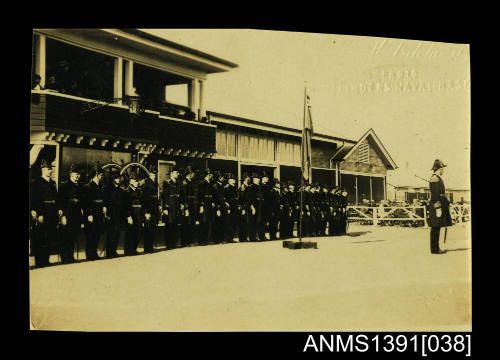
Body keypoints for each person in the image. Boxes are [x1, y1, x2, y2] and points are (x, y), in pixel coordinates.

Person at [30, 159, 58, 267]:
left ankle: (46, 260)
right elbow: (34, 200)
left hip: (51, 215)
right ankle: (39, 261)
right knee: (40, 238)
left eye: (50, 169)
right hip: (42, 215)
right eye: (47, 169)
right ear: (42, 170)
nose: (49, 171)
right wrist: (38, 213)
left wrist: (58, 210)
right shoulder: (36, 183)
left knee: (49, 238)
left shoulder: (52, 183)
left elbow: (56, 199)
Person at [56, 164, 83, 263]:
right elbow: (59, 201)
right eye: (76, 174)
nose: (78, 176)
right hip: (67, 214)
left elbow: (81, 201)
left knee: (73, 236)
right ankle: (65, 257)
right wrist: (62, 215)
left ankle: (70, 256)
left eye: (79, 174)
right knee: (66, 236)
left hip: (76, 215)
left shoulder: (80, 186)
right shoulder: (64, 185)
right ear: (71, 174)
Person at [428, 159, 452, 254]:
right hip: (436, 205)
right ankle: (434, 249)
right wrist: (437, 207)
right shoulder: (434, 178)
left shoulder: (437, 178)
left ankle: (436, 248)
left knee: (437, 226)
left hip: (440, 203)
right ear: (439, 168)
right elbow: (434, 194)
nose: (443, 170)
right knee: (435, 227)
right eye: (442, 168)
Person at [82, 164, 106, 261]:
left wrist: (104, 206)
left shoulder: (100, 187)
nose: (102, 176)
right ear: (96, 175)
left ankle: (94, 252)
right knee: (90, 235)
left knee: (97, 234)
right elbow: (86, 203)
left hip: (99, 214)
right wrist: (89, 214)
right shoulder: (88, 187)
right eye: (100, 175)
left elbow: (102, 199)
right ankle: (89, 254)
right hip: (92, 214)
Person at [103, 169, 125, 258]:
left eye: (119, 178)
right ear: (113, 179)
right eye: (117, 178)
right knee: (111, 234)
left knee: (117, 233)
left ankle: (113, 251)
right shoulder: (107, 189)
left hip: (118, 215)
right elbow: (105, 202)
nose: (119, 180)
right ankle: (110, 252)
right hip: (111, 214)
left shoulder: (120, 190)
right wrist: (106, 214)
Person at [162, 166, 182, 250]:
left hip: (176, 208)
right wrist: (165, 208)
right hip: (169, 208)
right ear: (171, 174)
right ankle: (169, 244)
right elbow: (165, 196)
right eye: (176, 172)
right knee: (169, 226)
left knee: (175, 226)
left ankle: (173, 243)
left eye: (178, 172)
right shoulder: (167, 183)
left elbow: (178, 196)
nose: (178, 174)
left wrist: (181, 204)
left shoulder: (178, 183)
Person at [143, 166, 159, 253]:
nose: (154, 175)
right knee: (148, 229)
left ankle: (150, 246)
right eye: (153, 174)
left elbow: (156, 197)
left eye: (155, 174)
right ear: (149, 174)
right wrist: (146, 212)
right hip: (149, 209)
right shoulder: (147, 183)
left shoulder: (155, 183)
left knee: (153, 228)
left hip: (154, 209)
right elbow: (144, 199)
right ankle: (147, 248)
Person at [180, 166, 199, 247]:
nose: (194, 175)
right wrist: (186, 207)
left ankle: (191, 241)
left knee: (192, 223)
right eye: (193, 173)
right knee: (186, 224)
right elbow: (184, 196)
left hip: (193, 205)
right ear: (190, 174)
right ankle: (185, 242)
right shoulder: (185, 182)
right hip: (188, 205)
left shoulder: (192, 182)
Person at [197, 168, 216, 246]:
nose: (211, 176)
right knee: (203, 223)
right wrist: (201, 206)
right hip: (204, 205)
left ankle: (206, 240)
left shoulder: (210, 183)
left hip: (209, 205)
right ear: (208, 175)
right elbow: (200, 196)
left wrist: (212, 202)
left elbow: (212, 195)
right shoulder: (202, 184)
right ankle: (202, 241)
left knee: (208, 222)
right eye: (210, 175)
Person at [212, 171, 227, 244]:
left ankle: (221, 238)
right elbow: (215, 198)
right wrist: (217, 208)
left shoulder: (221, 186)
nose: (223, 179)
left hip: (223, 206)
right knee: (217, 223)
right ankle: (217, 239)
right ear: (219, 178)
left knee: (222, 223)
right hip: (218, 207)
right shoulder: (215, 186)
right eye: (222, 177)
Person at [224, 173, 239, 243]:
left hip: (235, 207)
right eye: (232, 180)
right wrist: (228, 208)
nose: (234, 181)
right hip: (230, 207)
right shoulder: (227, 188)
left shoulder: (235, 188)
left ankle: (232, 237)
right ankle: (228, 238)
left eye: (234, 180)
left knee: (234, 222)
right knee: (229, 223)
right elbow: (225, 199)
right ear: (229, 181)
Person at [238, 174, 251, 242]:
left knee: (246, 222)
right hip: (244, 207)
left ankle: (244, 237)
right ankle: (242, 238)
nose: (248, 180)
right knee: (243, 223)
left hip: (247, 206)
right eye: (247, 179)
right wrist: (243, 208)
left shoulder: (247, 187)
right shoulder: (243, 187)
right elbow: (242, 199)